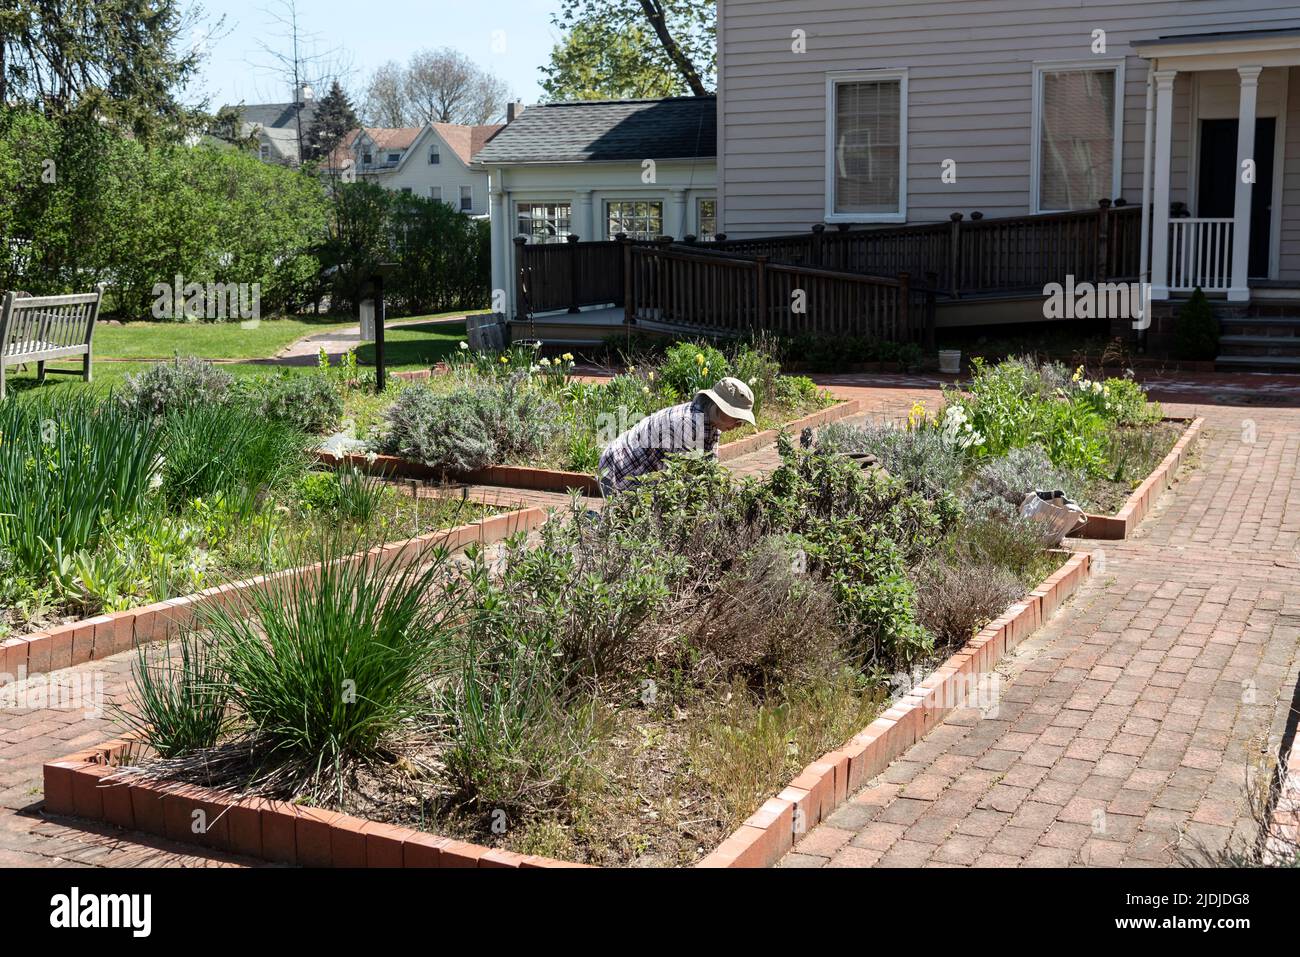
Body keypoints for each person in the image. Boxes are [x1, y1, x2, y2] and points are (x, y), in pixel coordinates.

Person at [598, 376, 756, 496]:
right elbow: (682, 482)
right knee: (630, 529)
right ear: (720, 408)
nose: (739, 425)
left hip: (641, 472)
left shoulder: (713, 422)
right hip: (617, 471)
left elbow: (708, 470)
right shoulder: (690, 425)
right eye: (737, 418)